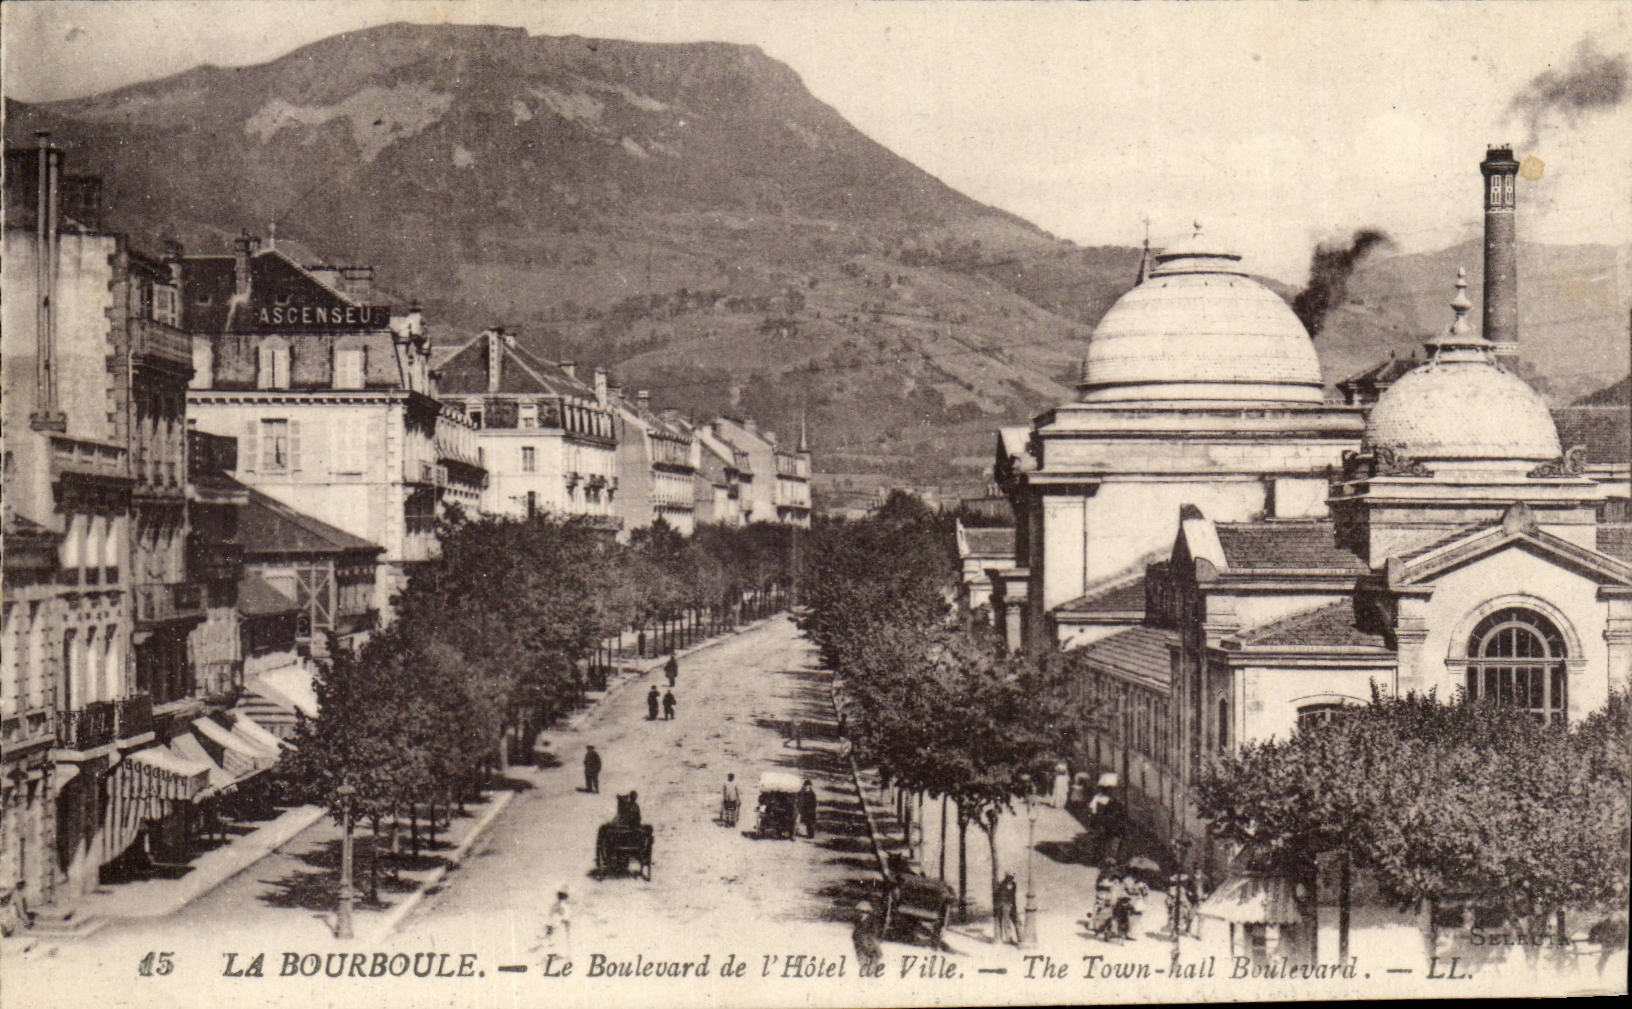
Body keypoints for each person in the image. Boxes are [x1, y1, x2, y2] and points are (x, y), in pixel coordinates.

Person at [536, 887, 571, 961]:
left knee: (554, 939)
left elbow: (551, 915)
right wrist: (566, 924)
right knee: (559, 939)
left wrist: (550, 925)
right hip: (559, 924)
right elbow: (564, 917)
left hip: (554, 924)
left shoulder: (555, 905)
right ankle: (559, 954)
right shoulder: (563, 905)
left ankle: (554, 954)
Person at [852, 900, 883, 975]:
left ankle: (871, 970)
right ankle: (864, 968)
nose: (861, 914)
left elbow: (875, 932)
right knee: (861, 956)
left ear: (867, 912)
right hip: (860, 942)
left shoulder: (872, 921)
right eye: (859, 912)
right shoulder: (858, 920)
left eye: (863, 912)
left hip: (868, 942)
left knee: (872, 955)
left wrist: (871, 939)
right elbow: (856, 931)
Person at [996, 872, 1021, 945]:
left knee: (1017, 921)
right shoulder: (1002, 885)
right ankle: (1009, 939)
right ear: (1006, 877)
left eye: (1012, 877)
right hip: (1005, 905)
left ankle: (1020, 938)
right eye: (1009, 877)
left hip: (1012, 905)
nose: (1011, 878)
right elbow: (1001, 896)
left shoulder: (1014, 884)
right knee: (1007, 923)